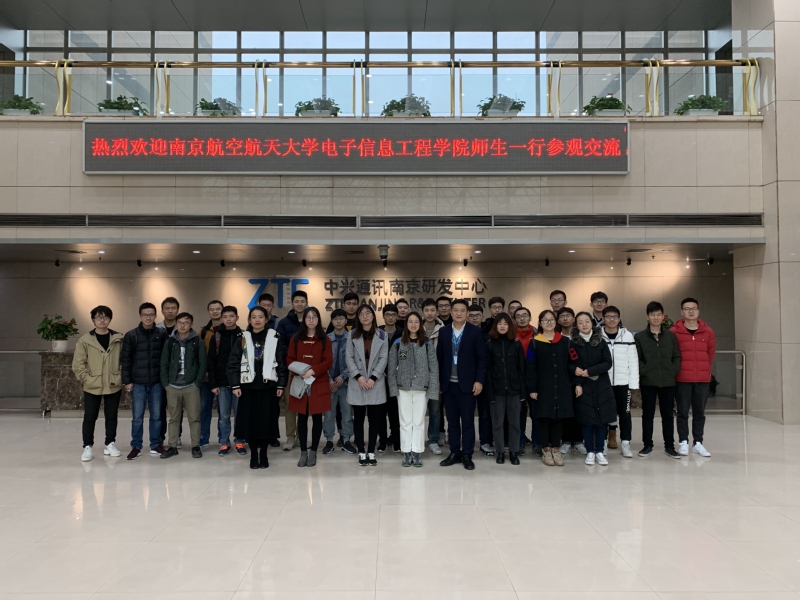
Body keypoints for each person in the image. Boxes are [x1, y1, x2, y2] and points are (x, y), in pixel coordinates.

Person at [227, 306, 288, 469]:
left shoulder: (274, 337)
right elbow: (233, 363)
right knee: (250, 423)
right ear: (249, 319)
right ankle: (254, 454)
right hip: (248, 388)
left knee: (266, 422)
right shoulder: (243, 338)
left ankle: (264, 454)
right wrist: (235, 385)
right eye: (253, 317)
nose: (257, 320)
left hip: (268, 387)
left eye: (261, 317)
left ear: (266, 319)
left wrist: (281, 384)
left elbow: (281, 363)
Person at [436, 299, 487, 470]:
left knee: (467, 421)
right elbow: (439, 358)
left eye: (462, 310)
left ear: (467, 313)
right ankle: (454, 452)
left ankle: (467, 454)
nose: (459, 313)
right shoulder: (443, 331)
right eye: (455, 310)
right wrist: (439, 382)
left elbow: (482, 359)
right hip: (448, 384)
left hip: (468, 384)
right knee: (451, 421)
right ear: (451, 312)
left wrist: (479, 380)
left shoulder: (475, 332)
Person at [73, 305, 124, 462]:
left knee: (111, 416)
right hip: (92, 385)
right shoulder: (85, 340)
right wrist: (87, 379)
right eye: (98, 317)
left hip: (113, 383)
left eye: (105, 317)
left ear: (110, 319)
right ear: (93, 320)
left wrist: (120, 376)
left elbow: (126, 360)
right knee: (90, 416)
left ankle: (110, 443)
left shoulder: (118, 339)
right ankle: (88, 446)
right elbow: (78, 364)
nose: (102, 320)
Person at [388, 311, 439, 467]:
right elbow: (391, 368)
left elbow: (434, 368)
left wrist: (432, 389)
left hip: (421, 388)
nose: (413, 324)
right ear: (406, 324)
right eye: (410, 321)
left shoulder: (427, 344)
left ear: (420, 324)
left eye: (416, 322)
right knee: (405, 422)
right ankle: (406, 452)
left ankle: (416, 452)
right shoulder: (398, 343)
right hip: (402, 388)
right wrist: (393, 389)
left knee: (418, 421)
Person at [121, 302, 168, 460]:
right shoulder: (131, 335)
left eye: (151, 315)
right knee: (137, 417)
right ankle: (136, 446)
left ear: (155, 316)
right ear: (140, 316)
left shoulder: (161, 334)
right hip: (138, 383)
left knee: (156, 416)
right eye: (145, 315)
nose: (148, 318)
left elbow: (166, 359)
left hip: (157, 382)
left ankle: (156, 444)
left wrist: (165, 380)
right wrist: (127, 381)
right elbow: (126, 360)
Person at [634, 301, 682, 459]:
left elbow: (676, 356)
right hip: (648, 381)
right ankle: (647, 445)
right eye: (652, 314)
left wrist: (673, 370)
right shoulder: (640, 337)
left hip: (668, 381)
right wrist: (644, 371)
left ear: (663, 316)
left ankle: (670, 446)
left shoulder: (671, 336)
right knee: (647, 414)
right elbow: (638, 358)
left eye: (658, 314)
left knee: (668, 415)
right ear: (647, 317)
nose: (655, 317)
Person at [287, 307, 333, 467]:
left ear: (318, 319)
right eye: (308, 317)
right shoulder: (295, 339)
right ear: (304, 320)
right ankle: (303, 453)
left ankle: (313, 452)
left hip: (318, 382)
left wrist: (313, 371)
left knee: (317, 417)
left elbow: (328, 361)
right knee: (301, 417)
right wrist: (302, 371)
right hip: (300, 381)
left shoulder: (325, 339)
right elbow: (289, 360)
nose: (311, 320)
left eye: (314, 317)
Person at [529, 309, 575, 467]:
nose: (548, 322)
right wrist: (532, 388)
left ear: (556, 322)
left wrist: (576, 383)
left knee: (558, 417)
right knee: (544, 417)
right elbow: (530, 367)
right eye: (545, 320)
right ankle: (545, 449)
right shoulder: (534, 343)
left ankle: (556, 448)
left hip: (562, 386)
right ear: (540, 323)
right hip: (543, 387)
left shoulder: (566, 342)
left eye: (551, 319)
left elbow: (574, 362)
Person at [671, 298, 716, 458]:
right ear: (682, 312)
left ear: (698, 311)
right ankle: (683, 441)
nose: (691, 311)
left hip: (702, 379)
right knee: (682, 412)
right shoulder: (674, 332)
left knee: (699, 413)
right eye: (687, 309)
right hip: (682, 378)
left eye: (694, 308)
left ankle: (698, 443)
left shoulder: (708, 332)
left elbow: (710, 354)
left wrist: (704, 371)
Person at [569, 312, 615, 466]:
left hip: (601, 385)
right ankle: (589, 451)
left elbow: (607, 362)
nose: (584, 325)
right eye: (580, 322)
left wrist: (590, 371)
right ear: (576, 325)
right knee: (586, 420)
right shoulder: (573, 344)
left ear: (592, 323)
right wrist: (577, 381)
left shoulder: (600, 341)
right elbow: (570, 364)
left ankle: (600, 451)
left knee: (602, 420)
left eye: (587, 321)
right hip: (583, 386)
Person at [346, 304, 390, 466]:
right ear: (358, 317)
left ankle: (371, 451)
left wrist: (373, 378)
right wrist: (358, 377)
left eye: (368, 313)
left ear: (373, 316)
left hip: (375, 382)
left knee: (374, 419)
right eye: (361, 314)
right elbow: (349, 357)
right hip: (357, 382)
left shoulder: (382, 335)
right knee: (358, 419)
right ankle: (361, 451)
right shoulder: (352, 334)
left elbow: (384, 358)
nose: (364, 316)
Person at [160, 312, 206, 459]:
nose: (182, 325)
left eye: (186, 323)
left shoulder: (198, 342)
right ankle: (172, 446)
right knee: (174, 418)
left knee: (194, 417)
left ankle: (195, 446)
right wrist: (166, 384)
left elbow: (203, 364)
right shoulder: (170, 342)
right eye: (179, 323)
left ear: (191, 324)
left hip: (191, 386)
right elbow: (164, 364)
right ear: (176, 324)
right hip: (173, 386)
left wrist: (197, 383)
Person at [485, 313, 529, 465]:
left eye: (505, 323)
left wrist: (523, 391)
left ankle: (514, 451)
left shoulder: (516, 344)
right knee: (497, 423)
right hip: (496, 390)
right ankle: (500, 452)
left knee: (515, 423)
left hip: (514, 390)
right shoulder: (490, 344)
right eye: (499, 323)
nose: (502, 326)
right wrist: (490, 392)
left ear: (510, 326)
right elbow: (487, 370)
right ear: (495, 326)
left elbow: (522, 368)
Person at [600, 306, 639, 459]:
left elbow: (633, 361)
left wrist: (633, 384)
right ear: (603, 318)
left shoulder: (627, 336)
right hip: (604, 383)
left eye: (615, 317)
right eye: (608, 317)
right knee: (604, 413)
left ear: (619, 318)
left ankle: (625, 442)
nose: (612, 319)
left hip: (623, 383)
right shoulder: (598, 336)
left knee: (625, 414)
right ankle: (602, 442)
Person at [207, 305, 245, 456]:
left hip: (240, 383)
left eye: (232, 316)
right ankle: (224, 442)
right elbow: (211, 362)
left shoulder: (244, 336)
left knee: (239, 415)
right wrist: (213, 383)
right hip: (222, 383)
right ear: (221, 319)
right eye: (225, 317)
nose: (228, 319)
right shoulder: (216, 337)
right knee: (223, 416)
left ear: (237, 318)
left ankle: (239, 441)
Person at [276, 290, 308, 451]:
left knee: (305, 403)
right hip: (291, 367)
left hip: (308, 369)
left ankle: (302, 437)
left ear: (306, 303)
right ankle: (290, 436)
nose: (300, 304)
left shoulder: (311, 320)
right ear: (292, 303)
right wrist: (294, 355)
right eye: (297, 301)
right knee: (290, 403)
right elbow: (280, 343)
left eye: (302, 301)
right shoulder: (284, 322)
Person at [322, 309, 356, 455]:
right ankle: (329, 440)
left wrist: (343, 376)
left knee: (347, 414)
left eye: (341, 318)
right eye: (335, 319)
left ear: (346, 320)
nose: (338, 321)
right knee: (329, 414)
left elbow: (354, 361)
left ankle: (346, 440)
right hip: (328, 384)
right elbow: (322, 361)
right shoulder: (326, 339)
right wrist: (329, 380)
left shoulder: (352, 338)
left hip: (346, 383)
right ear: (332, 321)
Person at [555, 307, 584, 455]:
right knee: (565, 411)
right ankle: (566, 440)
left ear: (574, 319)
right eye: (562, 316)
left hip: (579, 379)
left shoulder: (581, 336)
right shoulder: (555, 338)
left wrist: (578, 381)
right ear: (558, 320)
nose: (565, 319)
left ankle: (578, 441)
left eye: (568, 316)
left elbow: (579, 361)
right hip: (561, 380)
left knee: (579, 410)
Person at [469, 304, 494, 456]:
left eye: (477, 315)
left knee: (485, 413)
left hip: (485, 379)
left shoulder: (490, 334)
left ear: (482, 317)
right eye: (471, 316)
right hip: (466, 379)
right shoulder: (462, 332)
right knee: (467, 414)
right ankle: (468, 442)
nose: (474, 318)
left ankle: (485, 442)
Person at [199, 300, 224, 448]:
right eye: (212, 309)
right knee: (204, 407)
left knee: (223, 410)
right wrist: (204, 372)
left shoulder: (228, 329)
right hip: (207, 376)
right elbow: (199, 354)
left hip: (223, 376)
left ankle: (223, 438)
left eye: (218, 309)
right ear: (208, 311)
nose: (215, 312)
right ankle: (204, 436)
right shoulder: (203, 331)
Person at [421, 298, 445, 454]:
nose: (429, 313)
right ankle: (416, 440)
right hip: (419, 377)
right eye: (426, 310)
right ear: (422, 312)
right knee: (418, 411)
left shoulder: (444, 329)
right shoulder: (415, 327)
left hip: (437, 377)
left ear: (436, 311)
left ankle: (433, 440)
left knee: (435, 411)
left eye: (432, 310)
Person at [515, 307, 540, 457]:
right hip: (517, 379)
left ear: (530, 318)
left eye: (525, 315)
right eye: (518, 316)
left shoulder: (538, 335)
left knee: (536, 413)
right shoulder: (511, 335)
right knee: (519, 413)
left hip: (535, 378)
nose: (522, 318)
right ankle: (520, 443)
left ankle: (537, 442)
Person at [379, 304, 402, 453]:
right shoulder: (377, 333)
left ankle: (396, 440)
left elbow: (405, 353)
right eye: (388, 314)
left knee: (395, 412)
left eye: (393, 314)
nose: (391, 317)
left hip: (397, 379)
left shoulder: (402, 333)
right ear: (383, 316)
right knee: (380, 412)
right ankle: (382, 441)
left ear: (397, 316)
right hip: (379, 378)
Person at [156, 297, 180, 443]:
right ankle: (160, 438)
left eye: (173, 308)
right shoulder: (156, 328)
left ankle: (176, 437)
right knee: (160, 409)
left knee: (176, 409)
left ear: (177, 310)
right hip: (160, 375)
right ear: (162, 310)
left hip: (178, 375)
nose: (170, 311)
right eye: (167, 308)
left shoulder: (184, 327)